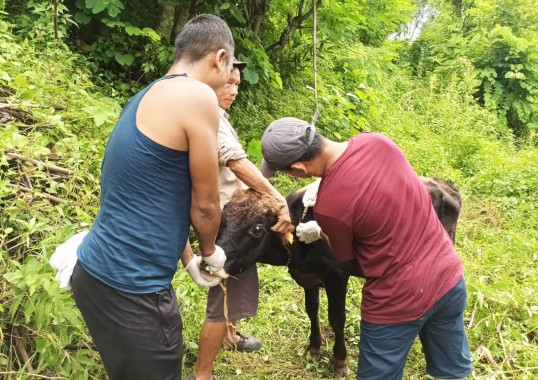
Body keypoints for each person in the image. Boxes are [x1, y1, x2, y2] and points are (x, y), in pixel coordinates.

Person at [71, 14, 235, 380]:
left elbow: (154, 195)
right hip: (132, 288)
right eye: (229, 72)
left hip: (95, 275)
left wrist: (188, 259)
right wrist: (210, 251)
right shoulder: (197, 96)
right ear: (219, 58)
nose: (227, 83)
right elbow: (206, 204)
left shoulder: (149, 94)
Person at [260, 117, 473, 380]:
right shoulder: (376, 140)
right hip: (449, 276)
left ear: (298, 169)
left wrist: (322, 232)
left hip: (398, 299)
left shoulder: (328, 207)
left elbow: (346, 259)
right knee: (452, 373)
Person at [186, 60, 293, 380]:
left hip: (236, 216)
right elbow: (236, 163)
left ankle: (230, 336)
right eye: (227, 83)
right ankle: (202, 373)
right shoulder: (209, 117)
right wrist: (277, 200)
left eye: (237, 85)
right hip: (226, 223)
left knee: (238, 281)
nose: (232, 90)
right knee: (221, 296)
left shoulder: (218, 116)